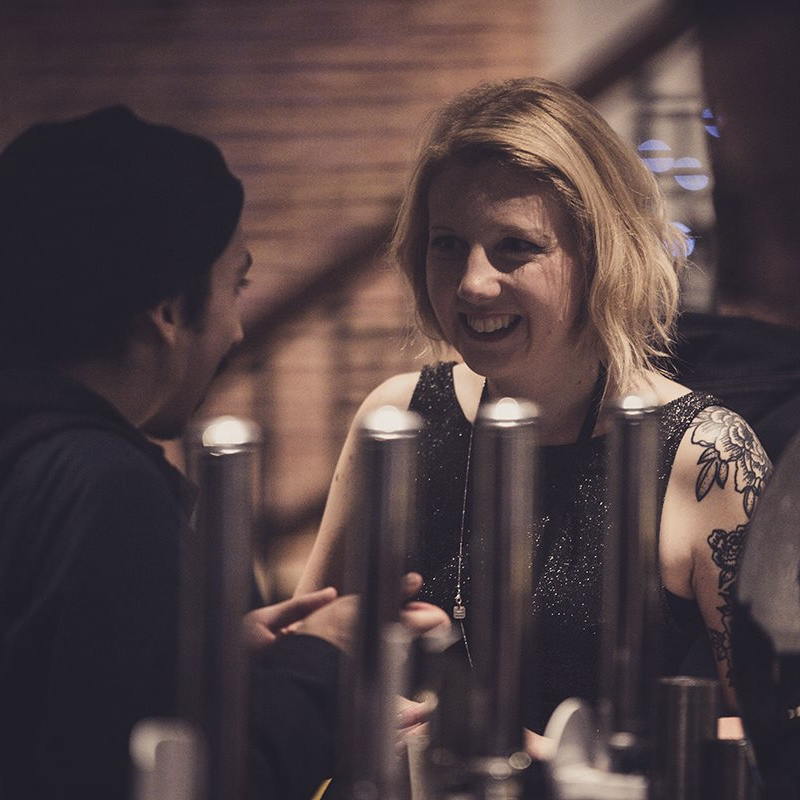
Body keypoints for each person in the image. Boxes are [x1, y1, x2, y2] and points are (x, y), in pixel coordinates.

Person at [295, 76, 772, 744]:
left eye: (516, 246)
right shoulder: (397, 421)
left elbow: (777, 732)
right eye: (447, 243)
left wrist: (545, 755)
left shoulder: (706, 454)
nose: (471, 283)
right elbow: (306, 657)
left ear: (600, 255)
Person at [0, 107, 448, 800]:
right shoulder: (98, 482)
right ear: (171, 311)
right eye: (234, 286)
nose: (239, 329)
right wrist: (320, 662)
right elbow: (148, 780)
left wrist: (211, 655)